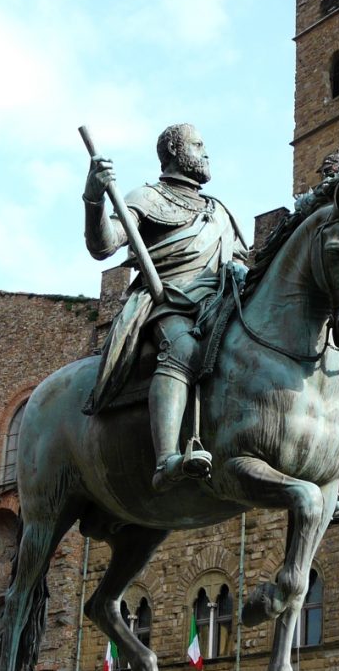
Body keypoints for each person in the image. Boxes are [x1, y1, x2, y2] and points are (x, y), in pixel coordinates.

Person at [82, 123, 248, 492]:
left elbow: (240, 258)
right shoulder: (148, 197)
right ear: (174, 151)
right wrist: (93, 199)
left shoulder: (218, 210)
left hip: (218, 300)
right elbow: (104, 245)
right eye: (198, 145)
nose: (206, 153)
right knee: (183, 349)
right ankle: (166, 460)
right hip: (169, 301)